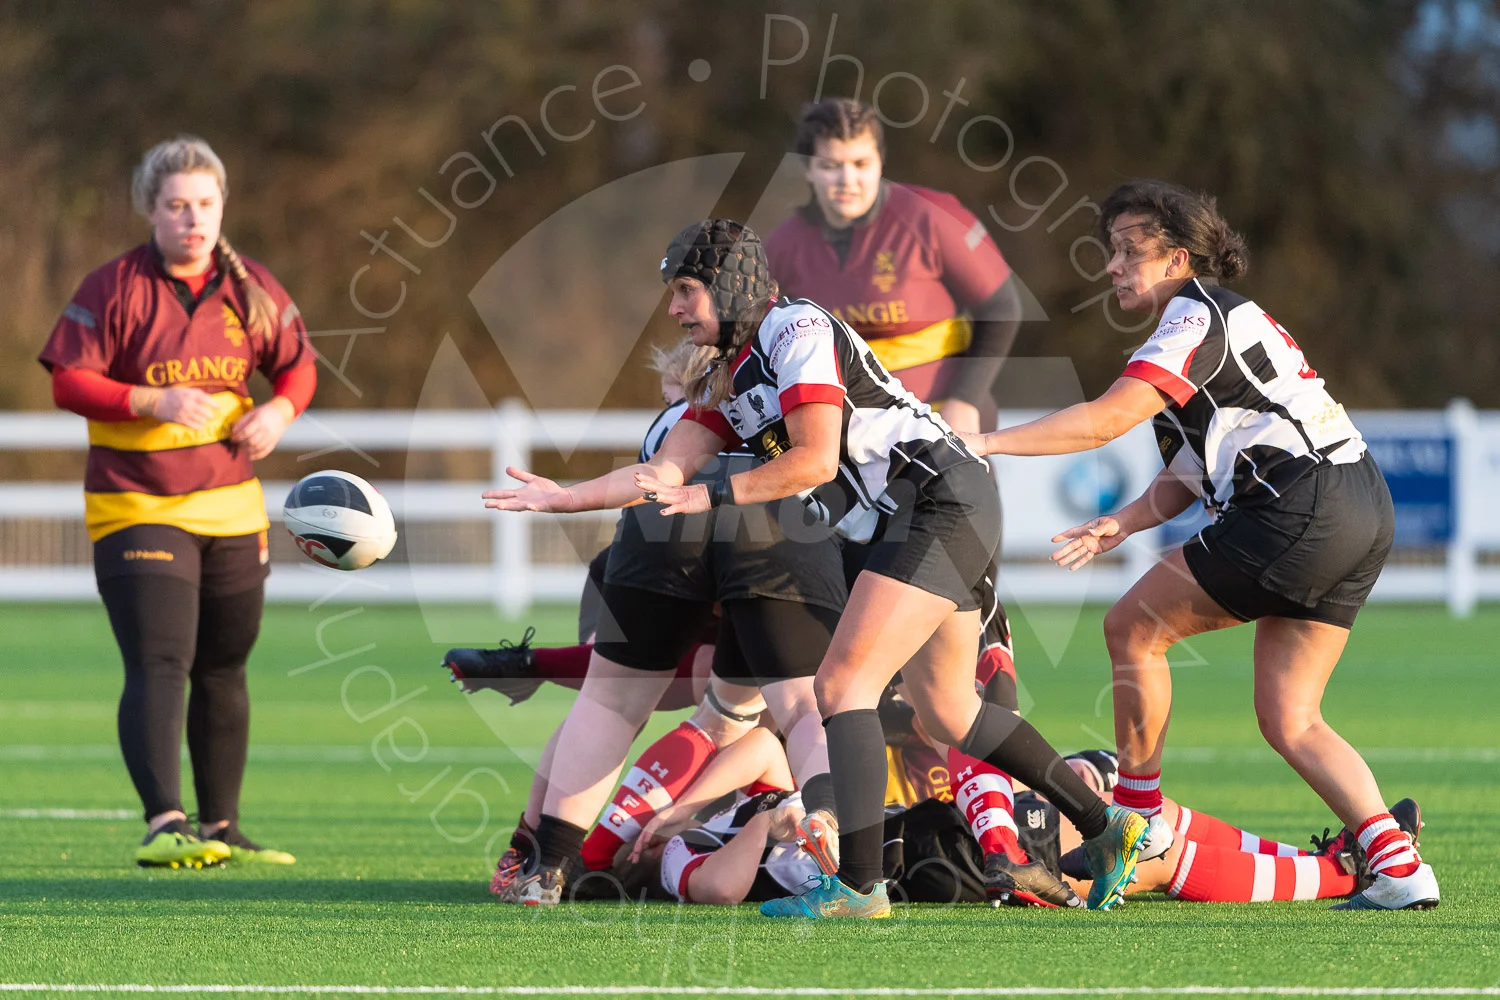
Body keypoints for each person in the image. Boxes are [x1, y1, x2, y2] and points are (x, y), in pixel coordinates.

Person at [484, 218, 1147, 916]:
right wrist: (565, 498)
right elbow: (661, 471)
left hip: (934, 500)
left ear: (731, 285)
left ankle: (859, 887)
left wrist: (710, 491)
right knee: (950, 711)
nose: (675, 309)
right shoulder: (730, 375)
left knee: (841, 685)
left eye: (685, 291)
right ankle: (1108, 827)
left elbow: (814, 458)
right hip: (905, 517)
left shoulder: (795, 329)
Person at [963, 179, 1437, 912]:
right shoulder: (1189, 329)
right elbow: (1185, 476)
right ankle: (1399, 865)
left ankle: (1142, 821)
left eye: (1128, 251)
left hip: (1301, 505)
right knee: (1291, 718)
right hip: (1356, 506)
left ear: (1178, 257)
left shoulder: (1194, 311)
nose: (1112, 265)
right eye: (1108, 250)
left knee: (1132, 627)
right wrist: (1118, 522)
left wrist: (982, 440)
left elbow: (1100, 422)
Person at [459, 335, 849, 904]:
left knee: (611, 703)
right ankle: (833, 833)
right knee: (758, 710)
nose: (671, 402)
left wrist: (534, 664)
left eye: (674, 391)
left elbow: (653, 478)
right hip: (768, 537)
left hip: (672, 538)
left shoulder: (688, 420)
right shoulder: (787, 405)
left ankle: (547, 857)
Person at [38, 136, 315, 868]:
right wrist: (149, 397)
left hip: (231, 506)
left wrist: (279, 413)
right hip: (137, 506)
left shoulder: (252, 287)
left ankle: (222, 829)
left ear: (222, 207)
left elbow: (298, 369)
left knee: (225, 665)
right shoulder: (113, 287)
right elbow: (68, 381)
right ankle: (167, 822)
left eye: (205, 204)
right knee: (162, 658)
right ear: (150, 210)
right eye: (176, 205)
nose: (193, 218)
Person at [766, 97, 1023, 435]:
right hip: (844, 437)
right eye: (830, 166)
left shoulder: (931, 216)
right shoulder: (783, 246)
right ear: (809, 169)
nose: (847, 179)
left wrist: (966, 401)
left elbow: (1002, 308)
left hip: (943, 420)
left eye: (861, 163)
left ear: (880, 162)